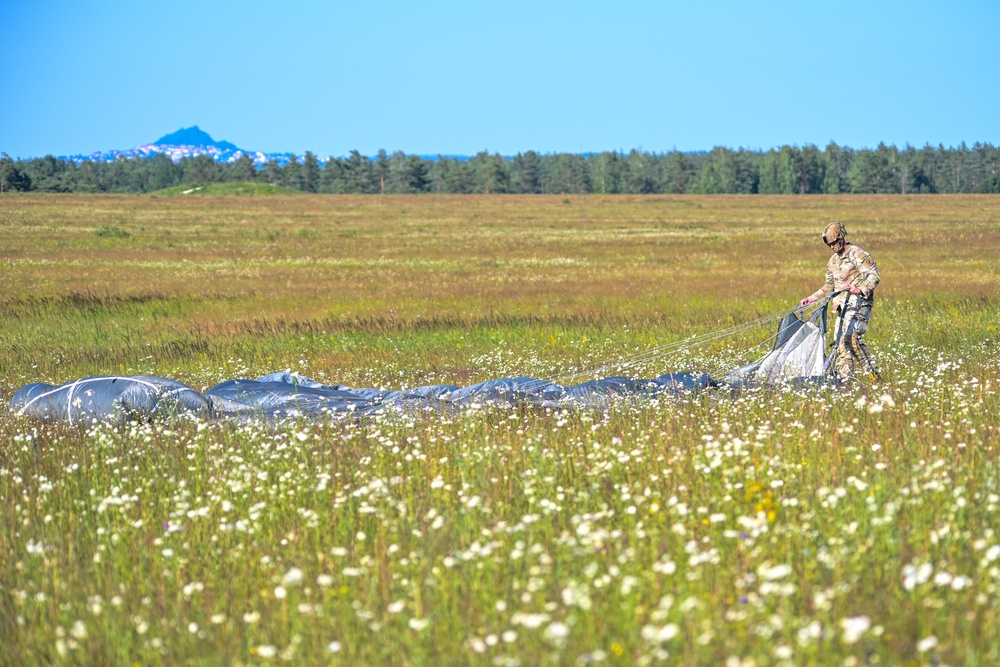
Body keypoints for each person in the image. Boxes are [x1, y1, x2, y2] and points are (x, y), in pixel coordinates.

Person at [799, 222, 880, 382]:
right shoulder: (833, 262)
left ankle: (873, 375)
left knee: (850, 338)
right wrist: (811, 298)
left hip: (859, 304)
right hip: (842, 308)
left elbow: (874, 276)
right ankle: (844, 381)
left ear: (841, 239)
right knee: (841, 344)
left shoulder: (858, 254)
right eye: (829, 245)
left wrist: (859, 289)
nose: (832, 247)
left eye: (834, 243)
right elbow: (829, 287)